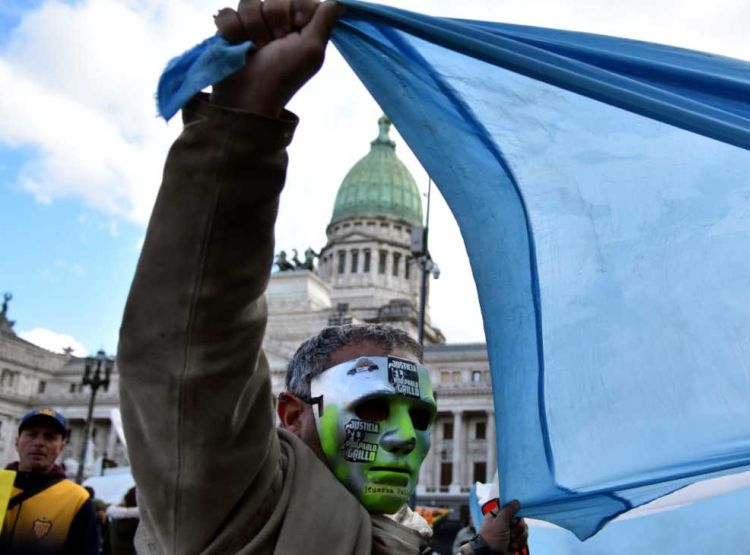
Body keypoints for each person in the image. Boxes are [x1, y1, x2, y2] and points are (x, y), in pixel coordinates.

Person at [117, 1, 526, 553]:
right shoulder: (238, 510)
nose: (405, 438)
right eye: (372, 407)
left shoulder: (397, 535)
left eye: (419, 414)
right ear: (290, 414)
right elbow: (191, 347)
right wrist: (245, 124)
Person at [1, 408, 101, 554]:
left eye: (49, 437)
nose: (39, 443)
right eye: (32, 434)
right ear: (17, 442)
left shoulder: (77, 499)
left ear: (61, 447)